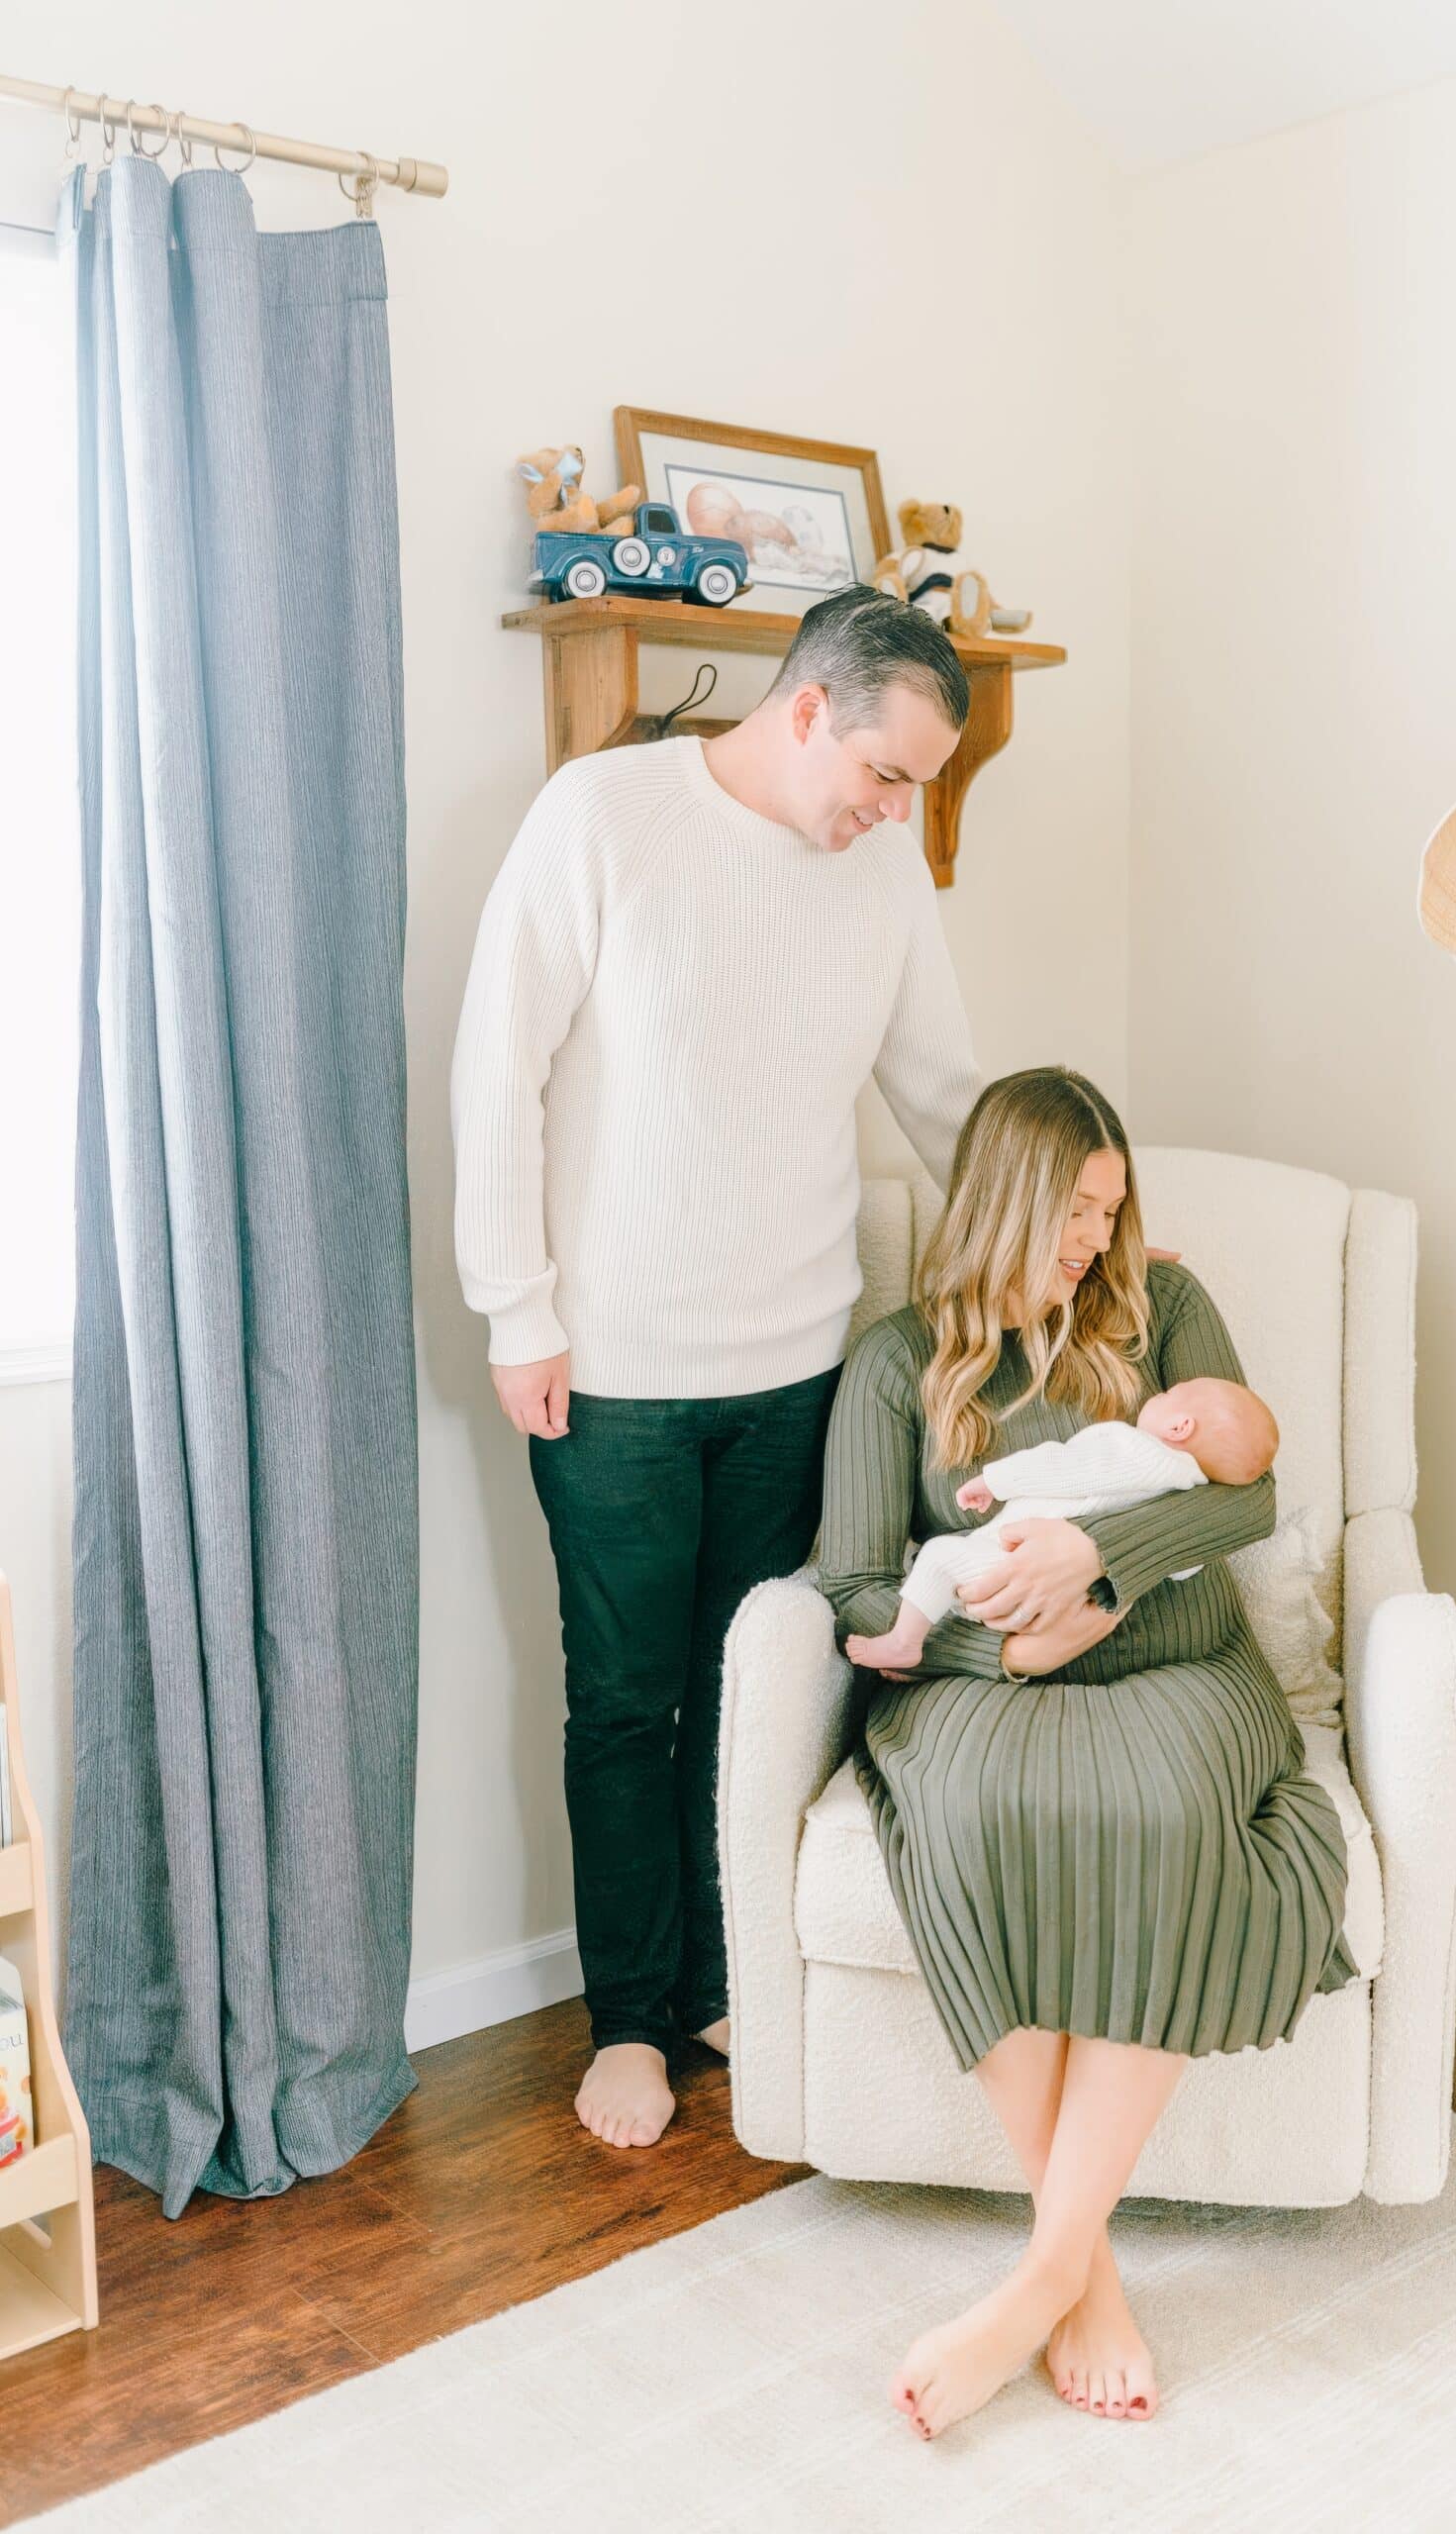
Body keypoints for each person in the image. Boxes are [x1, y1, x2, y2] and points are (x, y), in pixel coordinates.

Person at [451, 585, 983, 2152]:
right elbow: (501, 1063)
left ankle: (710, 1981)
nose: (894, 812)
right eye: (884, 774)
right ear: (807, 706)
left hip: (796, 1365)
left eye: (920, 788)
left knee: (748, 1694)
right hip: (608, 1370)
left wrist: (1067, 1234)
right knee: (623, 1701)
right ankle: (624, 2017)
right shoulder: (603, 814)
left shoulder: (882, 868)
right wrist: (514, 1308)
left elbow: (946, 1092)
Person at [818, 1066, 1356, 2439]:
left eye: (1109, 1211)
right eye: (1070, 1209)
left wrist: (1096, 1558)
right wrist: (991, 1643)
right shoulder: (896, 1362)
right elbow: (853, 1589)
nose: (1090, 1238)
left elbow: (1250, 1492)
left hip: (1177, 1660)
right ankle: (1087, 2276)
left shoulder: (1159, 1307)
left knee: (1164, 1817)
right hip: (975, 1684)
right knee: (980, 1820)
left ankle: (1043, 2273)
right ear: (1000, 1197)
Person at [843, 1376, 1278, 1673]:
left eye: (1172, 1393)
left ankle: (906, 1643)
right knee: (955, 1586)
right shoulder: (1188, 1491)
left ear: (1181, 1426)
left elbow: (1066, 1467)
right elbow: (1183, 1562)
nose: (1161, 1392)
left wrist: (996, 1480)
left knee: (939, 1557)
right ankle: (922, 1659)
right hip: (1069, 1611)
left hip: (1008, 1567)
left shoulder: (1135, 1449)